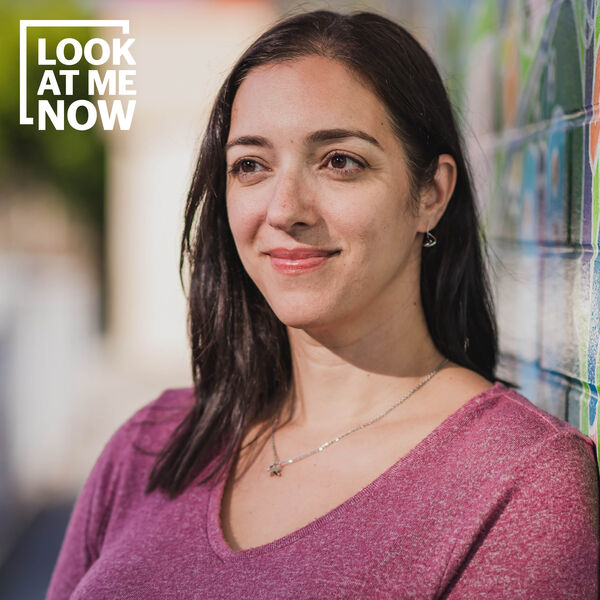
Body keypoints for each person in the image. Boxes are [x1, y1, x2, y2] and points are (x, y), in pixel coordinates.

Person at [47, 10, 599, 599]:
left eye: (340, 161)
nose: (285, 210)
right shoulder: (150, 445)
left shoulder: (519, 482)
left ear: (431, 194)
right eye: (251, 165)